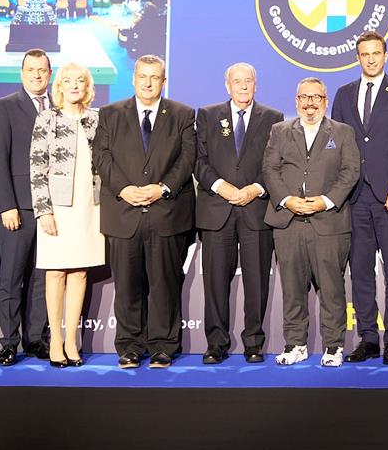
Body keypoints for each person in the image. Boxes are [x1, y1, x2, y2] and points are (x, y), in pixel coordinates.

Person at [92, 54, 196, 369]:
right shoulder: (110, 114)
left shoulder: (182, 114)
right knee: (127, 287)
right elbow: (102, 156)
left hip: (166, 213)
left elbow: (187, 158)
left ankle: (164, 346)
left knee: (165, 285)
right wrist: (124, 189)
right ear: (134, 79)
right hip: (124, 213)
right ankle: (130, 346)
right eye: (143, 76)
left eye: (154, 77)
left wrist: (162, 188)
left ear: (163, 81)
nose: (148, 83)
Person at [331, 30, 388, 365]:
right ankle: (368, 338)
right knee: (361, 272)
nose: (370, 59)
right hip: (355, 197)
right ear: (357, 58)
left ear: (386, 55)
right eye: (364, 54)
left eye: (376, 53)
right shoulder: (343, 94)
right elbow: (336, 145)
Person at [263, 77, 361, 367]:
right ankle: (295, 345)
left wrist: (325, 201)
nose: (310, 103)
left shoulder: (342, 132)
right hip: (289, 222)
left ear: (325, 101)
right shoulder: (280, 131)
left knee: (332, 289)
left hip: (328, 223)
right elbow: (270, 169)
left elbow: (350, 172)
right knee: (292, 289)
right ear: (296, 101)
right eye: (304, 97)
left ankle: (333, 347)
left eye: (316, 97)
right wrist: (287, 200)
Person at [194, 62, 283, 364]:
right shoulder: (207, 115)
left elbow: (275, 164)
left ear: (256, 84)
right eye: (237, 81)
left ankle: (254, 343)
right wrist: (222, 187)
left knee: (256, 282)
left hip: (255, 210)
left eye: (248, 81)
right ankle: (216, 343)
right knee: (215, 282)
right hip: (217, 209)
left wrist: (255, 189)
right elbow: (199, 160)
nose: (243, 86)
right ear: (227, 85)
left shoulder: (273, 118)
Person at [30, 63, 104, 368]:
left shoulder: (97, 118)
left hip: (90, 206)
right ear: (59, 86)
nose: (74, 85)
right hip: (57, 208)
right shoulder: (47, 118)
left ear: (87, 86)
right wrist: (43, 210)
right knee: (56, 272)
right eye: (68, 81)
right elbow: (37, 167)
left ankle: (72, 341)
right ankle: (55, 341)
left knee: (80, 272)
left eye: (80, 81)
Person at [0, 49, 53, 365]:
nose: (37, 75)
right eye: (31, 70)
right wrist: (7, 205)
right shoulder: (6, 106)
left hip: (52, 210)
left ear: (49, 73)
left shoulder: (59, 106)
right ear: (22, 73)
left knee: (42, 277)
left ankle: (36, 339)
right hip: (19, 208)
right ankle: (10, 342)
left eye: (42, 70)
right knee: (12, 277)